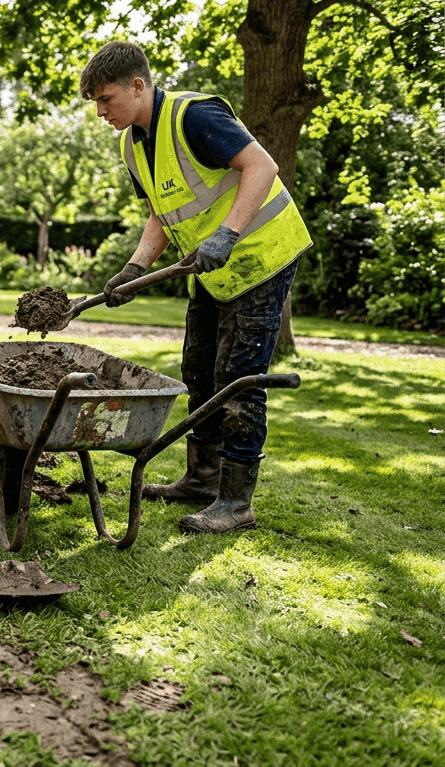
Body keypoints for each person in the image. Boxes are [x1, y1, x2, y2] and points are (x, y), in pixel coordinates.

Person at [80, 42, 312, 535]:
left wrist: (227, 233)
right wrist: (135, 266)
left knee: (238, 377)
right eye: (96, 103)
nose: (100, 111)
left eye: (106, 99)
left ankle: (236, 502)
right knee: (198, 368)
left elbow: (262, 167)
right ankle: (203, 479)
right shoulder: (133, 144)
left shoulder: (194, 116)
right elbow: (162, 214)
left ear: (138, 86)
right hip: (212, 269)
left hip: (262, 255)